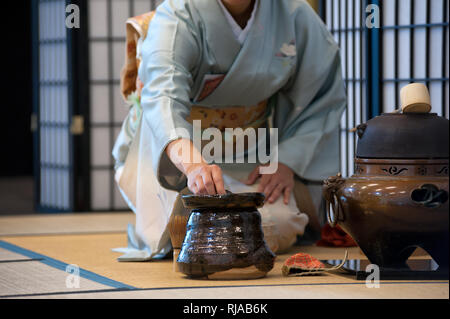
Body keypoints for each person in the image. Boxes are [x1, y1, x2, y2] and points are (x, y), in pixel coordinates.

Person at [112, 0, 346, 261]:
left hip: (250, 150)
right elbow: (162, 99)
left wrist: (287, 161)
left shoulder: (292, 13)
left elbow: (321, 95)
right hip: (177, 152)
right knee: (181, 225)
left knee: (278, 222)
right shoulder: (179, 15)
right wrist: (193, 167)